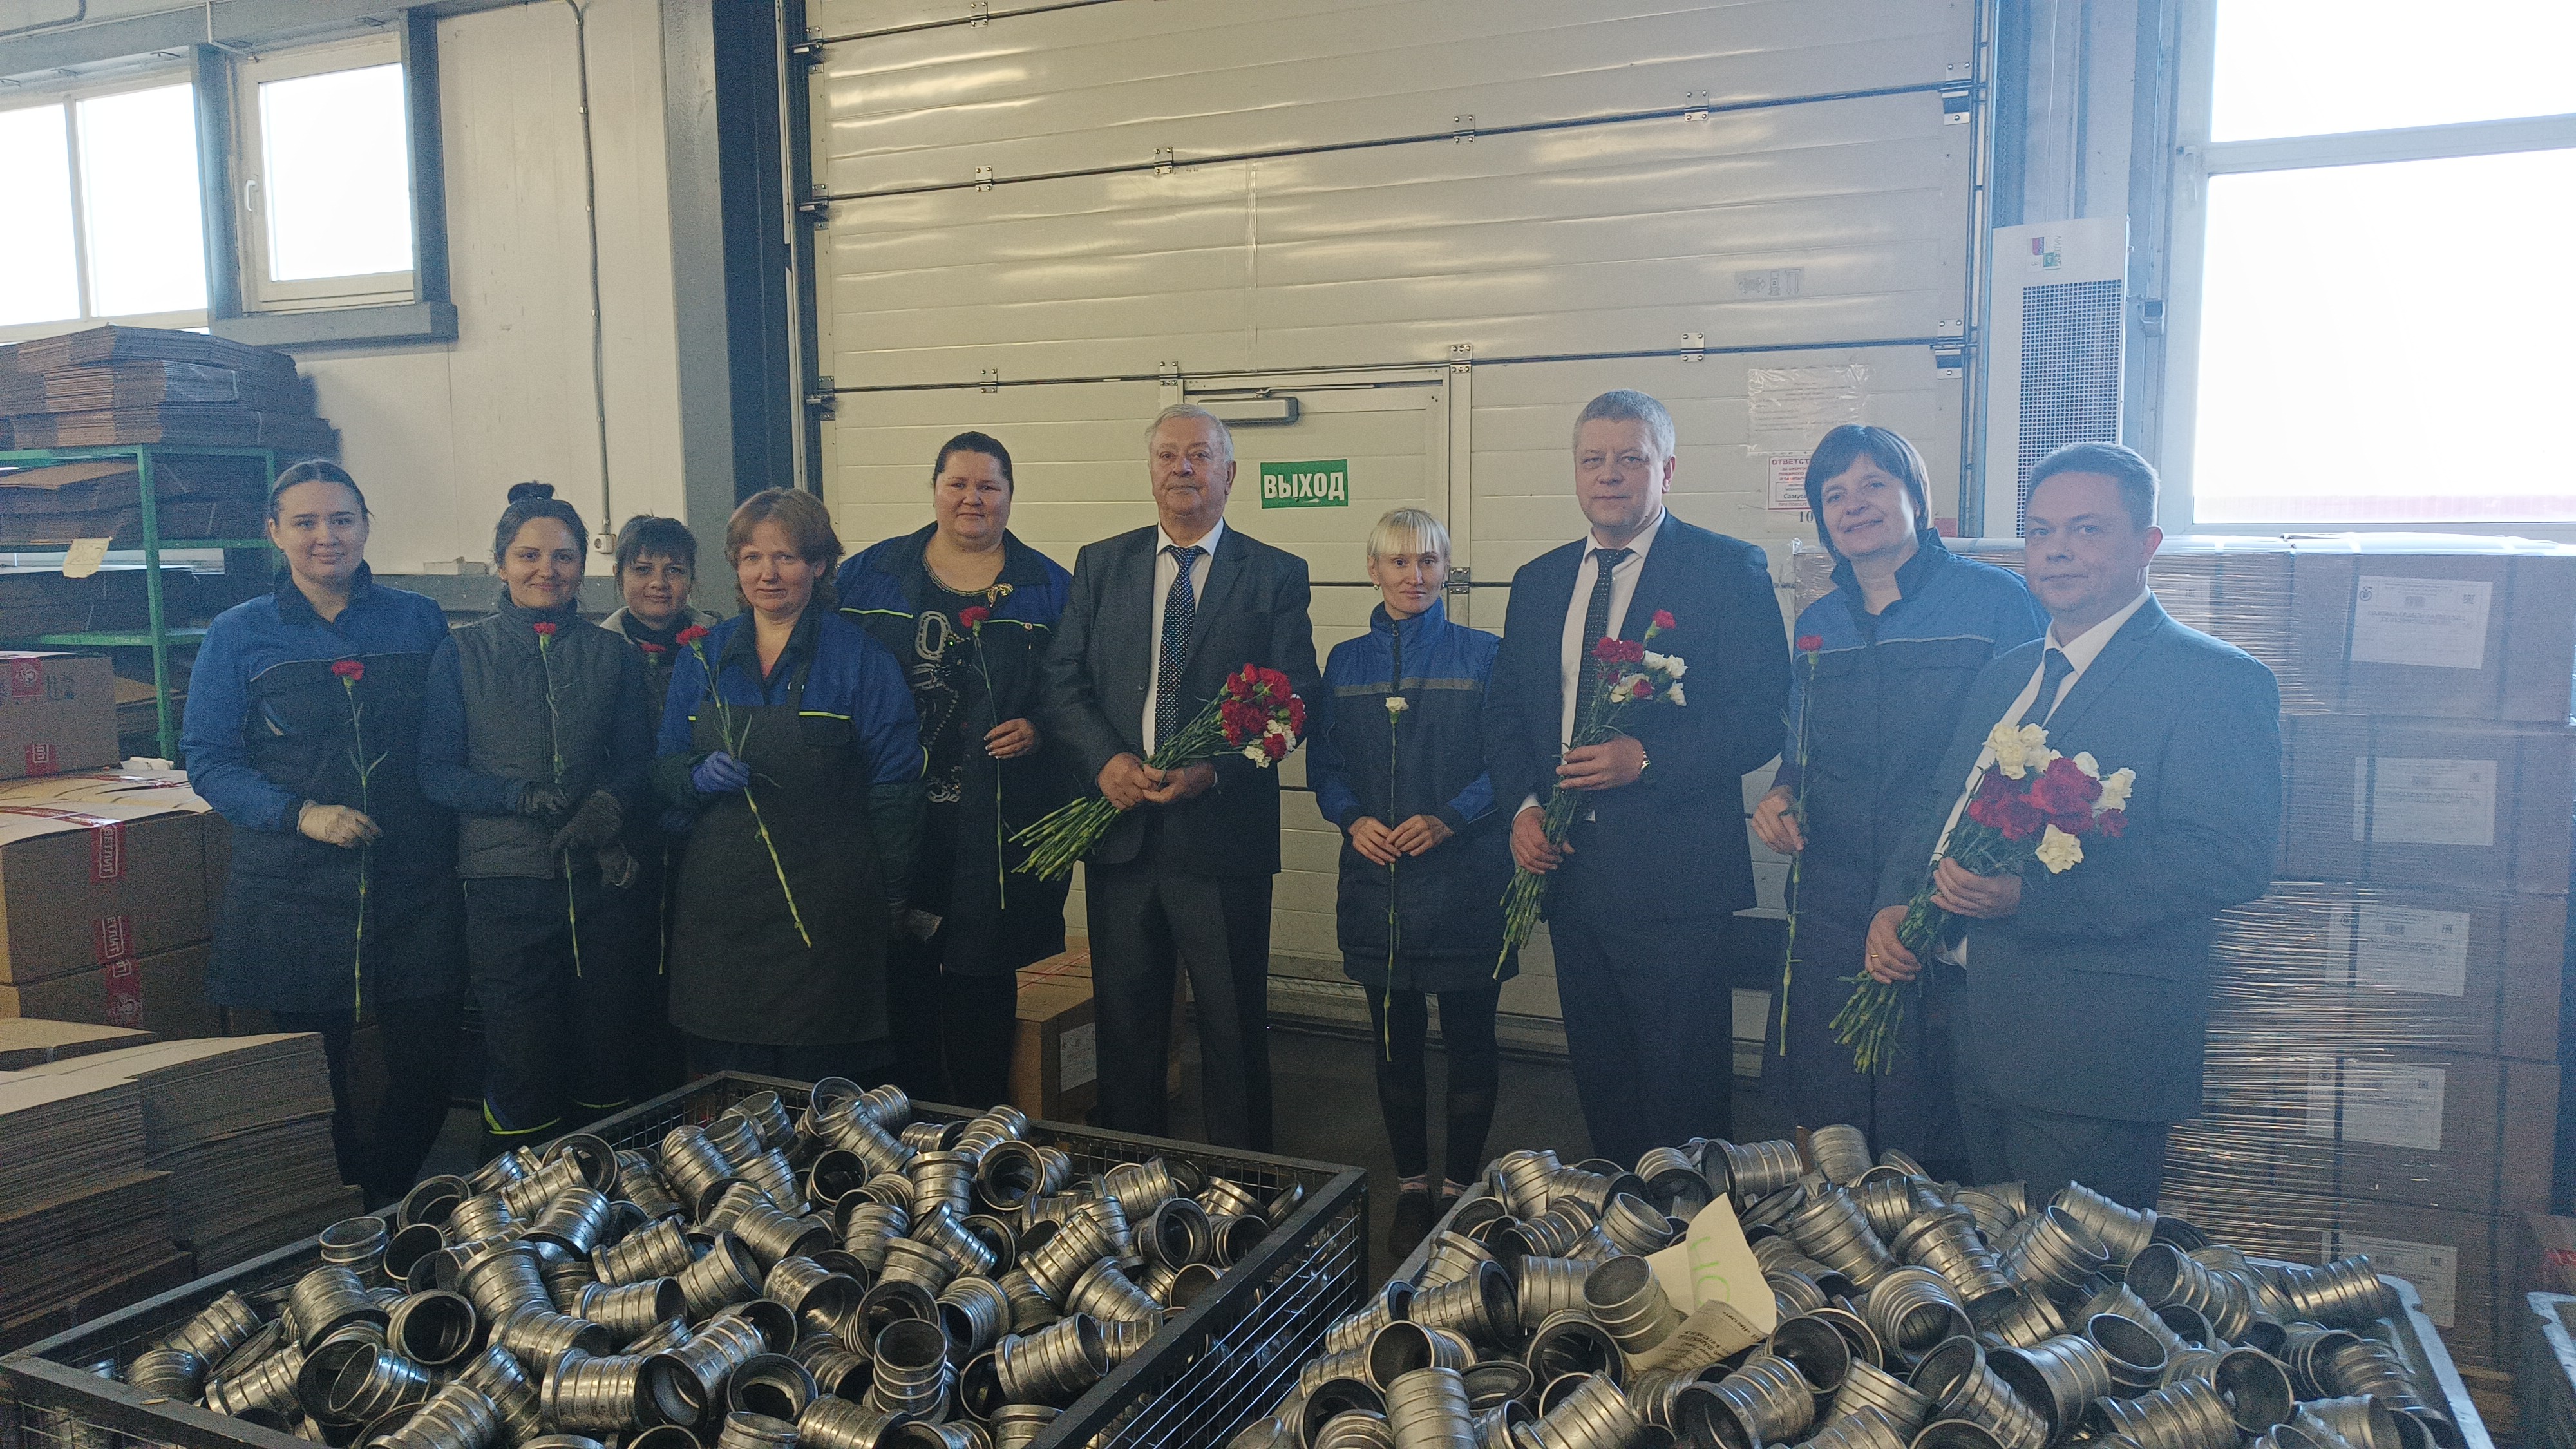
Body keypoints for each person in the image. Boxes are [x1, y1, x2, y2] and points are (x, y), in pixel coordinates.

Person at [1864, 442, 2280, 1206]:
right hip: (1974, 1030)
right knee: (1992, 1254)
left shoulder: (2212, 680)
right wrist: (1894, 902)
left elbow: (2228, 857)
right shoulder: (2008, 672)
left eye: (2086, 530)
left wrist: (2030, 899)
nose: (2055, 550)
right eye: (2039, 531)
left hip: (2094, 1051)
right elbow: (1942, 802)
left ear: (2146, 544)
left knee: (2079, 1270)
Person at [1483, 389, 1790, 1170]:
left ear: (1667, 470)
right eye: (1593, 459)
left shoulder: (1726, 570)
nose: (1609, 475)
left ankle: (1697, 1232)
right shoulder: (1538, 581)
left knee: (1685, 1092)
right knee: (1603, 1081)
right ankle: (1622, 1224)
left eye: (1630, 459)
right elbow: (1508, 712)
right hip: (1569, 875)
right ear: (1575, 471)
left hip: (1675, 883)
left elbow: (1762, 716)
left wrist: (1646, 759)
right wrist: (1522, 809)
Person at [1752, 426, 2045, 1173]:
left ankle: (1928, 1240)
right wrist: (1782, 793)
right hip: (1829, 890)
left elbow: (2030, 752)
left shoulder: (1995, 604)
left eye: (1874, 485)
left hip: (1940, 890)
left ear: (1917, 497)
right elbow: (1801, 747)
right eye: (1835, 495)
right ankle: (1831, 1230)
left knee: (1931, 1100)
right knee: (1826, 1087)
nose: (1854, 505)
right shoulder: (1818, 624)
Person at [1041, 404, 1323, 1151]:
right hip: (1121, 833)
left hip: (1221, 840)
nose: (1182, 468)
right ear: (1151, 470)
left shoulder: (1274, 574)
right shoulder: (1101, 565)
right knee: (1126, 1023)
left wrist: (1213, 771)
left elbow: (1297, 701)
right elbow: (1061, 683)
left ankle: (1242, 1183)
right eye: (1168, 455)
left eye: (1199, 455)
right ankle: (1133, 1176)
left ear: (1229, 473)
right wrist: (1104, 761)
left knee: (1232, 1025)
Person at [183, 460, 464, 1206]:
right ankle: (350, 1215)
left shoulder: (417, 620)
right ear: (274, 532)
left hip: (414, 879)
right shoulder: (238, 634)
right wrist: (300, 814)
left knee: (430, 1064)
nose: (325, 536)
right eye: (304, 522)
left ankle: (385, 1199)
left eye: (341, 519)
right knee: (317, 1073)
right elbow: (208, 759)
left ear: (366, 526)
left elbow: (453, 737)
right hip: (294, 887)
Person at [838, 431, 1075, 1108]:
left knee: (982, 975)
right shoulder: (869, 576)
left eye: (988, 486)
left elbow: (1083, 689)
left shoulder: (1050, 588)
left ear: (1010, 495)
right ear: (935, 490)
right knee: (898, 968)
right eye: (958, 484)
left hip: (995, 826)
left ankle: (979, 1127)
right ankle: (905, 1123)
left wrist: (1041, 728)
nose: (973, 499)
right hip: (891, 815)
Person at [656, 489, 924, 1082]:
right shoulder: (702, 657)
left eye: (786, 557)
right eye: (752, 557)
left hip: (828, 913)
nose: (767, 574)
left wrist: (894, 896)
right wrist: (694, 777)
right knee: (728, 1089)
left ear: (819, 564)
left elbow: (896, 789)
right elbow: (665, 765)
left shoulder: (862, 660)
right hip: (721, 913)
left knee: (820, 1090)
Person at [421, 483, 655, 1150]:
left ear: (583, 566)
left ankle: (606, 1191)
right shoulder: (462, 654)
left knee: (605, 1052)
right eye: (528, 555)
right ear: (500, 563)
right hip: (506, 890)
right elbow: (435, 773)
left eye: (563, 556)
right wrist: (515, 797)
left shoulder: (613, 655)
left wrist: (609, 805)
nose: (546, 571)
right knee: (521, 1059)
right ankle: (519, 1199)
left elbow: (640, 762)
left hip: (599, 888)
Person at [1307, 507, 1512, 1255]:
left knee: (1469, 1039)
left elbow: (1509, 760)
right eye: (1398, 562)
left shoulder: (1484, 655)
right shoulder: (1344, 664)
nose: (1414, 575)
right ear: (1373, 571)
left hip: (1466, 883)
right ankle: (1413, 1186)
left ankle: (1458, 1189)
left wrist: (1452, 819)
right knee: (1393, 1045)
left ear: (1446, 570)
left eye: (1428, 561)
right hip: (1377, 887)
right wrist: (1351, 818)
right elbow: (1324, 765)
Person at [601, 514, 719, 1097]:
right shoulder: (598, 649)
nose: (658, 583)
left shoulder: (720, 641)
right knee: (629, 977)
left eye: (674, 570)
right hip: (624, 836)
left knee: (698, 974)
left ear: (693, 579)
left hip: (702, 829)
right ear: (619, 575)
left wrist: (694, 792)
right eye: (643, 569)